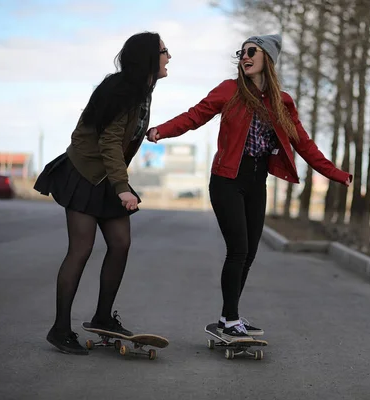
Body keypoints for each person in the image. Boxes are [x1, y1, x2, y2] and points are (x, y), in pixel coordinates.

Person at [147, 34, 352, 342]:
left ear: (266, 58)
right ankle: (230, 320)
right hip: (227, 179)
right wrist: (161, 130)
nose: (244, 56)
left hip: (257, 182)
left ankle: (228, 316)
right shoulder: (229, 91)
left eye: (251, 51)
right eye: (241, 51)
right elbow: (195, 116)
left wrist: (335, 174)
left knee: (250, 252)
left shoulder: (282, 102)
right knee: (238, 249)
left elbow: (304, 143)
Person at [34, 32, 172, 354]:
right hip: (84, 174)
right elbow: (109, 141)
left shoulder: (142, 91)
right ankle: (60, 329)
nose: (169, 58)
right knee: (81, 249)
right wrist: (123, 188)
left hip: (107, 176)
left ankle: (103, 317)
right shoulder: (122, 90)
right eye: (165, 52)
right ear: (149, 57)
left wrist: (119, 181)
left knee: (121, 243)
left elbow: (121, 142)